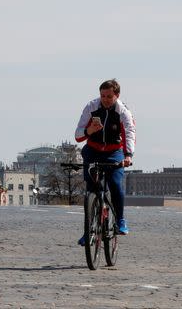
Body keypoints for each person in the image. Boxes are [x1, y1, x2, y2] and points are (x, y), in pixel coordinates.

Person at [74, 79, 136, 244]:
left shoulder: (123, 112)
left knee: (115, 184)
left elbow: (130, 133)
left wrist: (128, 155)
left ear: (117, 95)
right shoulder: (91, 107)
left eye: (109, 96)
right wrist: (89, 130)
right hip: (93, 151)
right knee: (91, 190)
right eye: (102, 95)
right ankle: (89, 231)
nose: (105, 99)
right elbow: (78, 135)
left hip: (114, 152)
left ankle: (120, 220)